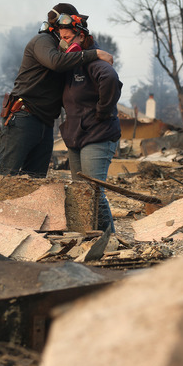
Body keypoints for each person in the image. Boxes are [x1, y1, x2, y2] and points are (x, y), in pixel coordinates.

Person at [0, 3, 114, 177]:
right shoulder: (43, 41)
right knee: (6, 176)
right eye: (64, 31)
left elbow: (83, 49)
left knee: (35, 180)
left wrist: (90, 45)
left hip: (45, 122)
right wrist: (95, 54)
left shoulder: (67, 49)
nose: (66, 36)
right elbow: (55, 62)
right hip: (24, 117)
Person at [57, 15, 123, 232]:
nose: (63, 42)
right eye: (61, 37)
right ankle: (87, 239)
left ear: (81, 36)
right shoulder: (73, 64)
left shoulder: (95, 64)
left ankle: (109, 239)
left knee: (94, 193)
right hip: (77, 136)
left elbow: (110, 80)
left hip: (97, 135)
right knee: (81, 193)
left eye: (67, 37)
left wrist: (102, 112)